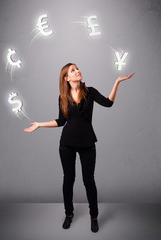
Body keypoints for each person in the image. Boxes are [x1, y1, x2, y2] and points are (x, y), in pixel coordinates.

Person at [23, 63, 135, 232]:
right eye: (73, 70)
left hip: (87, 142)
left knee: (89, 181)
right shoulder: (63, 96)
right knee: (68, 180)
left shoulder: (90, 91)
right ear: (66, 78)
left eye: (77, 68)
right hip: (66, 143)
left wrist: (117, 82)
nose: (78, 71)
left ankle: (94, 217)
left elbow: (109, 103)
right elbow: (61, 121)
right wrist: (39, 124)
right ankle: (69, 214)